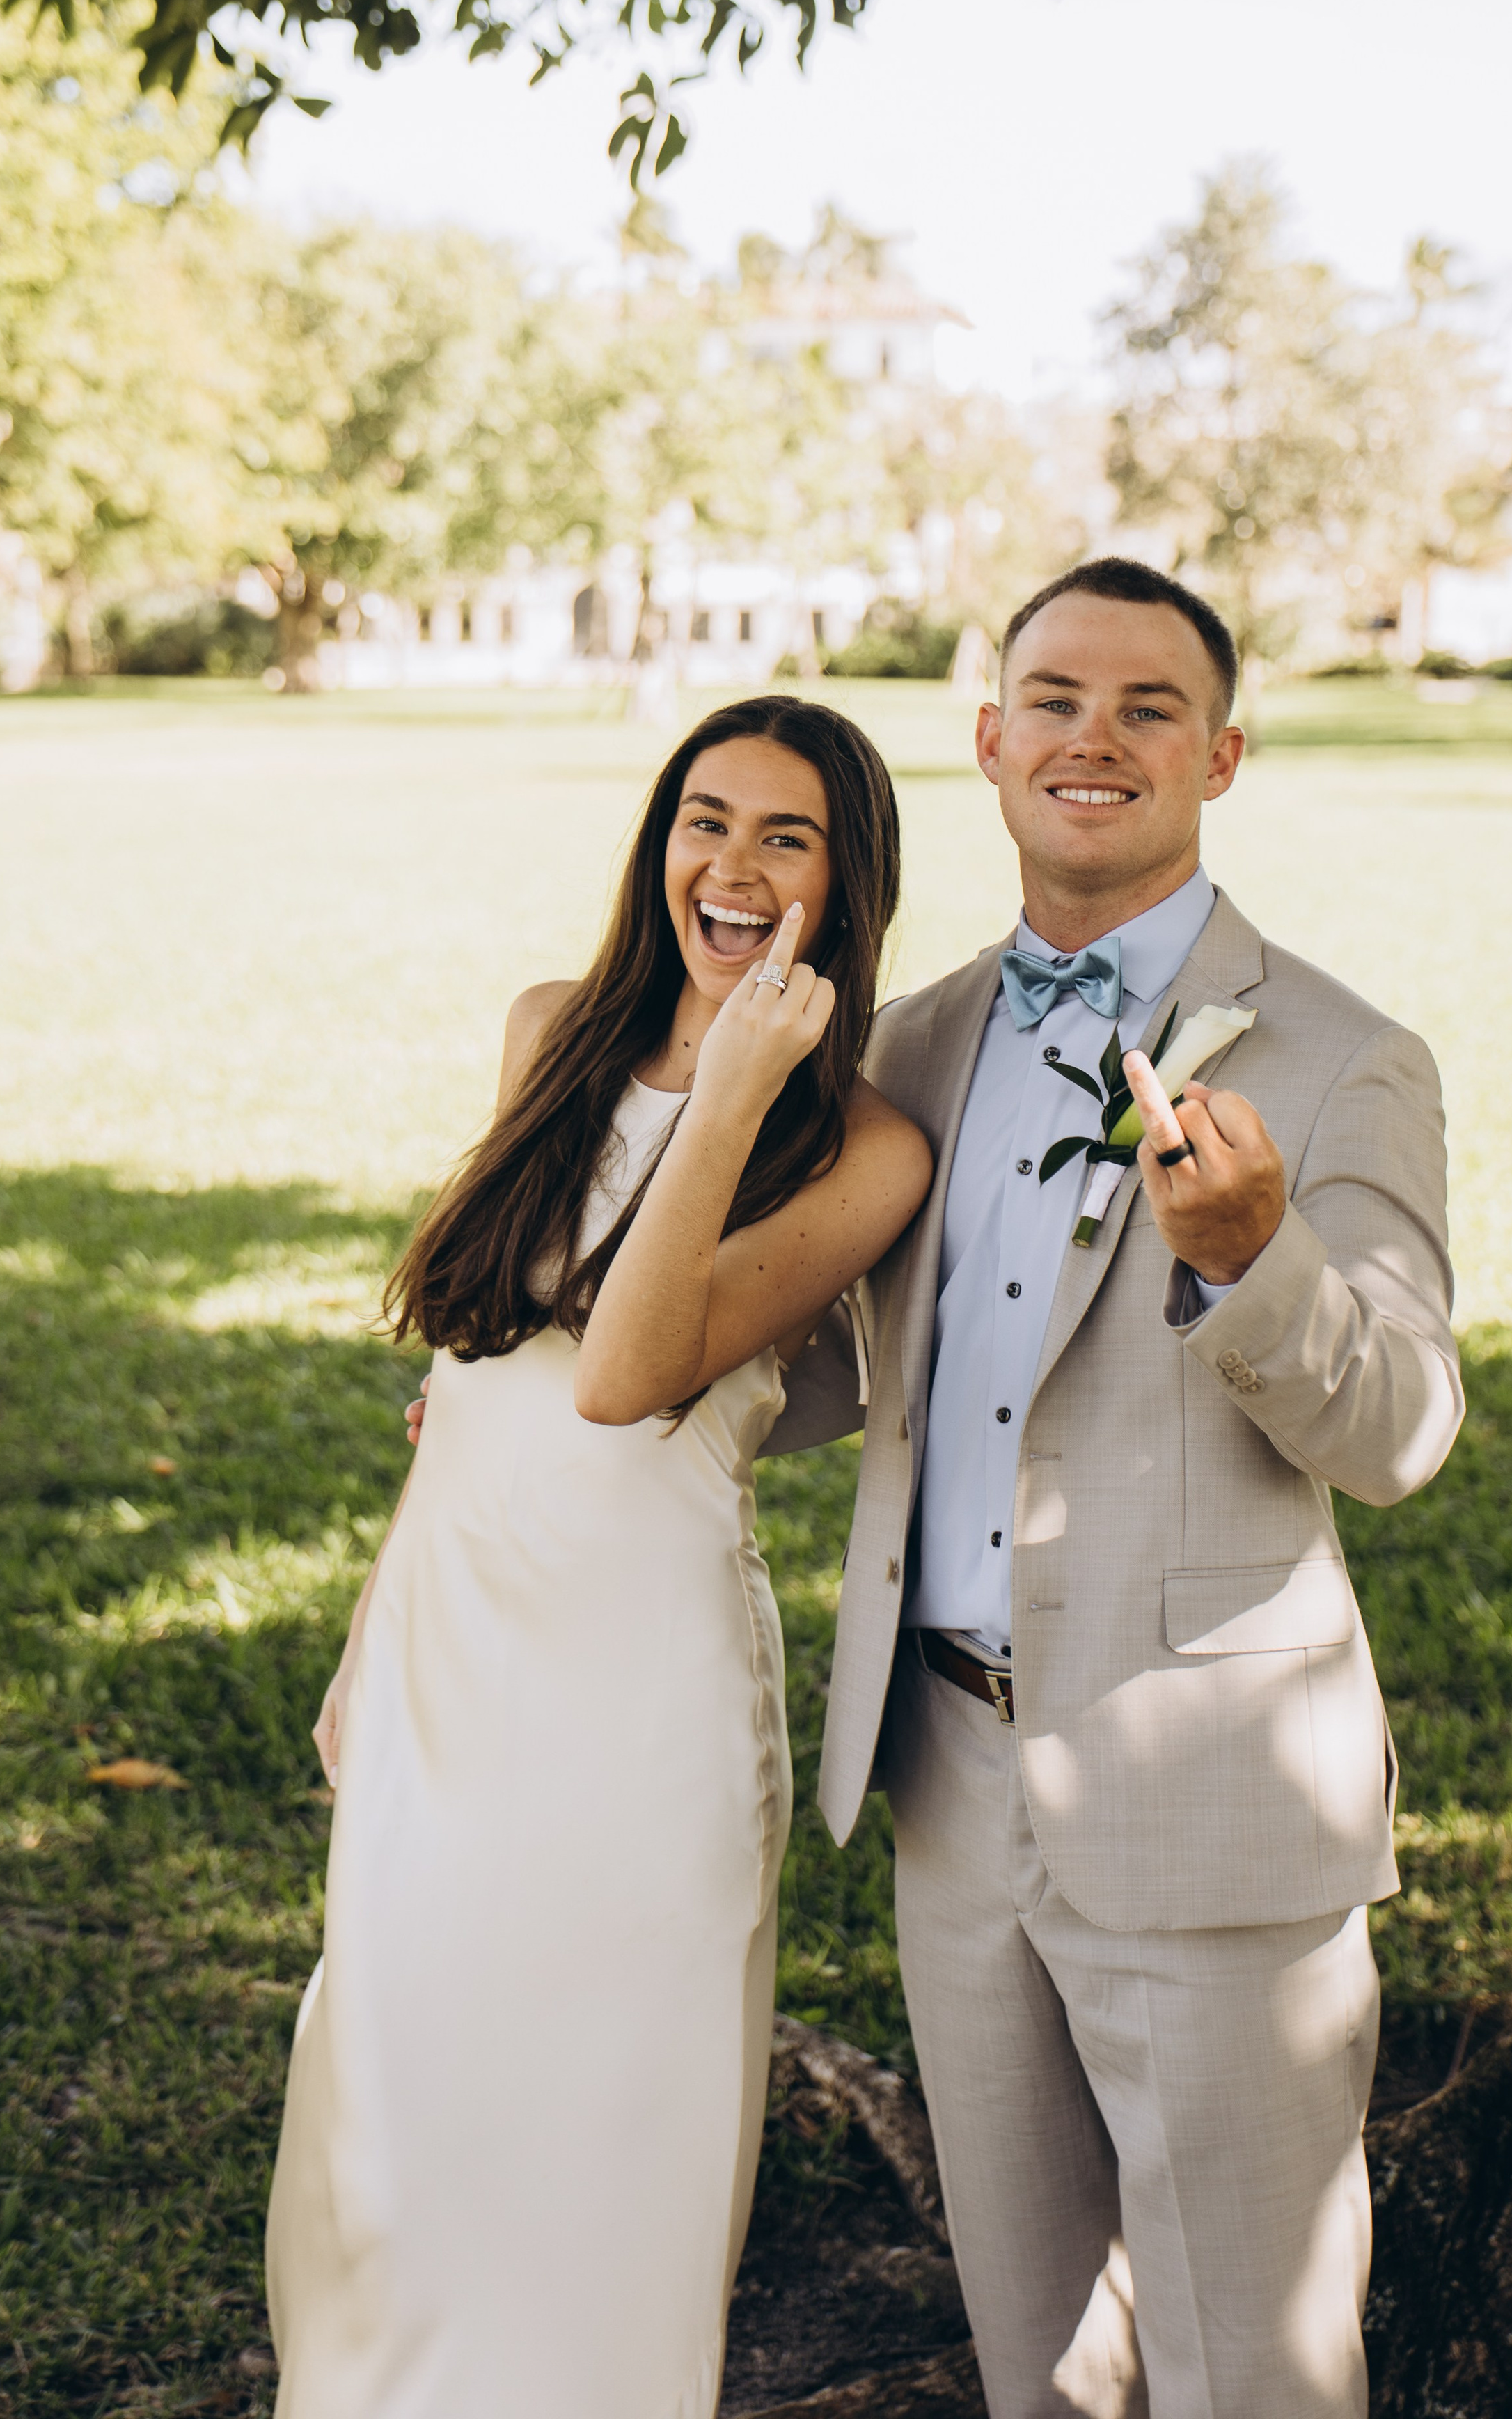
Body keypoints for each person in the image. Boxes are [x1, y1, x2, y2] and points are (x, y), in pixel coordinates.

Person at [776, 557, 1465, 2419]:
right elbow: (817, 1369)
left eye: (1149, 707)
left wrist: (1257, 1263)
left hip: (1212, 1793)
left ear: (1221, 757)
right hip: (948, 1774)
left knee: (1258, 2360)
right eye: (1055, 701)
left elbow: (1401, 1426)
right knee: (1042, 2351)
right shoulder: (907, 1043)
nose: (1096, 738)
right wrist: (534, 1385)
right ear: (990, 744)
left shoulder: (1341, 1061)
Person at [265, 696, 932, 2419]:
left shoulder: (859, 1148)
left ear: (845, 887)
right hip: (448, 1640)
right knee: (401, 2089)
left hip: (640, 1688)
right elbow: (474, 1368)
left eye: (787, 837)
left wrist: (727, 1092)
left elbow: (628, 1378)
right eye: (703, 819)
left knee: (599, 2122)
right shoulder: (547, 1031)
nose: (732, 865)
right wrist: (368, 1633)